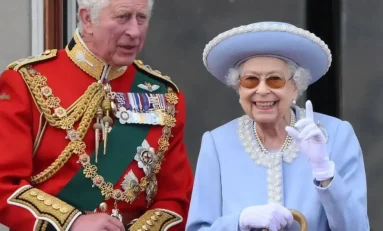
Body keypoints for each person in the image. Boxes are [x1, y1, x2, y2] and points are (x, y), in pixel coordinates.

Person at [0, 0, 194, 230]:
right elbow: (4, 184)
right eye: (123, 17)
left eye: (141, 18)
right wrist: (71, 223)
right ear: (87, 19)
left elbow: (177, 198)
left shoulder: (165, 96)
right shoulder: (27, 82)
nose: (134, 31)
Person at [186, 21, 370, 231]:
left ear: (296, 86)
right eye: (250, 80)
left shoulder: (337, 135)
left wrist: (324, 172)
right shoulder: (216, 144)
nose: (262, 90)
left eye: (275, 80)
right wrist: (238, 221)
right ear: (239, 88)